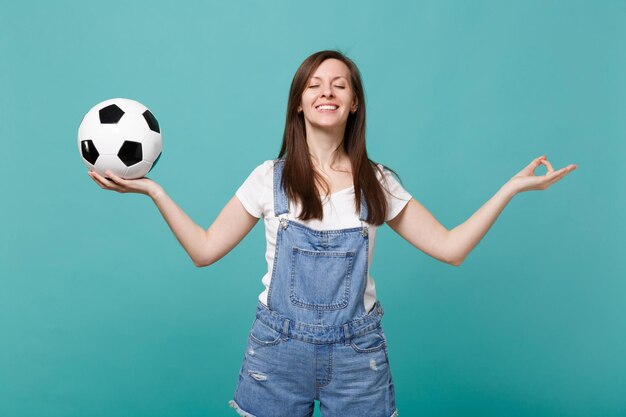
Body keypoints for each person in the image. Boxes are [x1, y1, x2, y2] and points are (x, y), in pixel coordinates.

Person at [88, 50, 577, 417]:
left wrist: (509, 189)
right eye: (315, 85)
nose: (327, 92)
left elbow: (451, 249)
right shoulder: (269, 179)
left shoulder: (379, 183)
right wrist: (154, 192)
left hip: (356, 357)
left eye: (339, 85)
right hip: (275, 354)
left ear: (354, 103)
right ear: (299, 103)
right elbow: (204, 250)